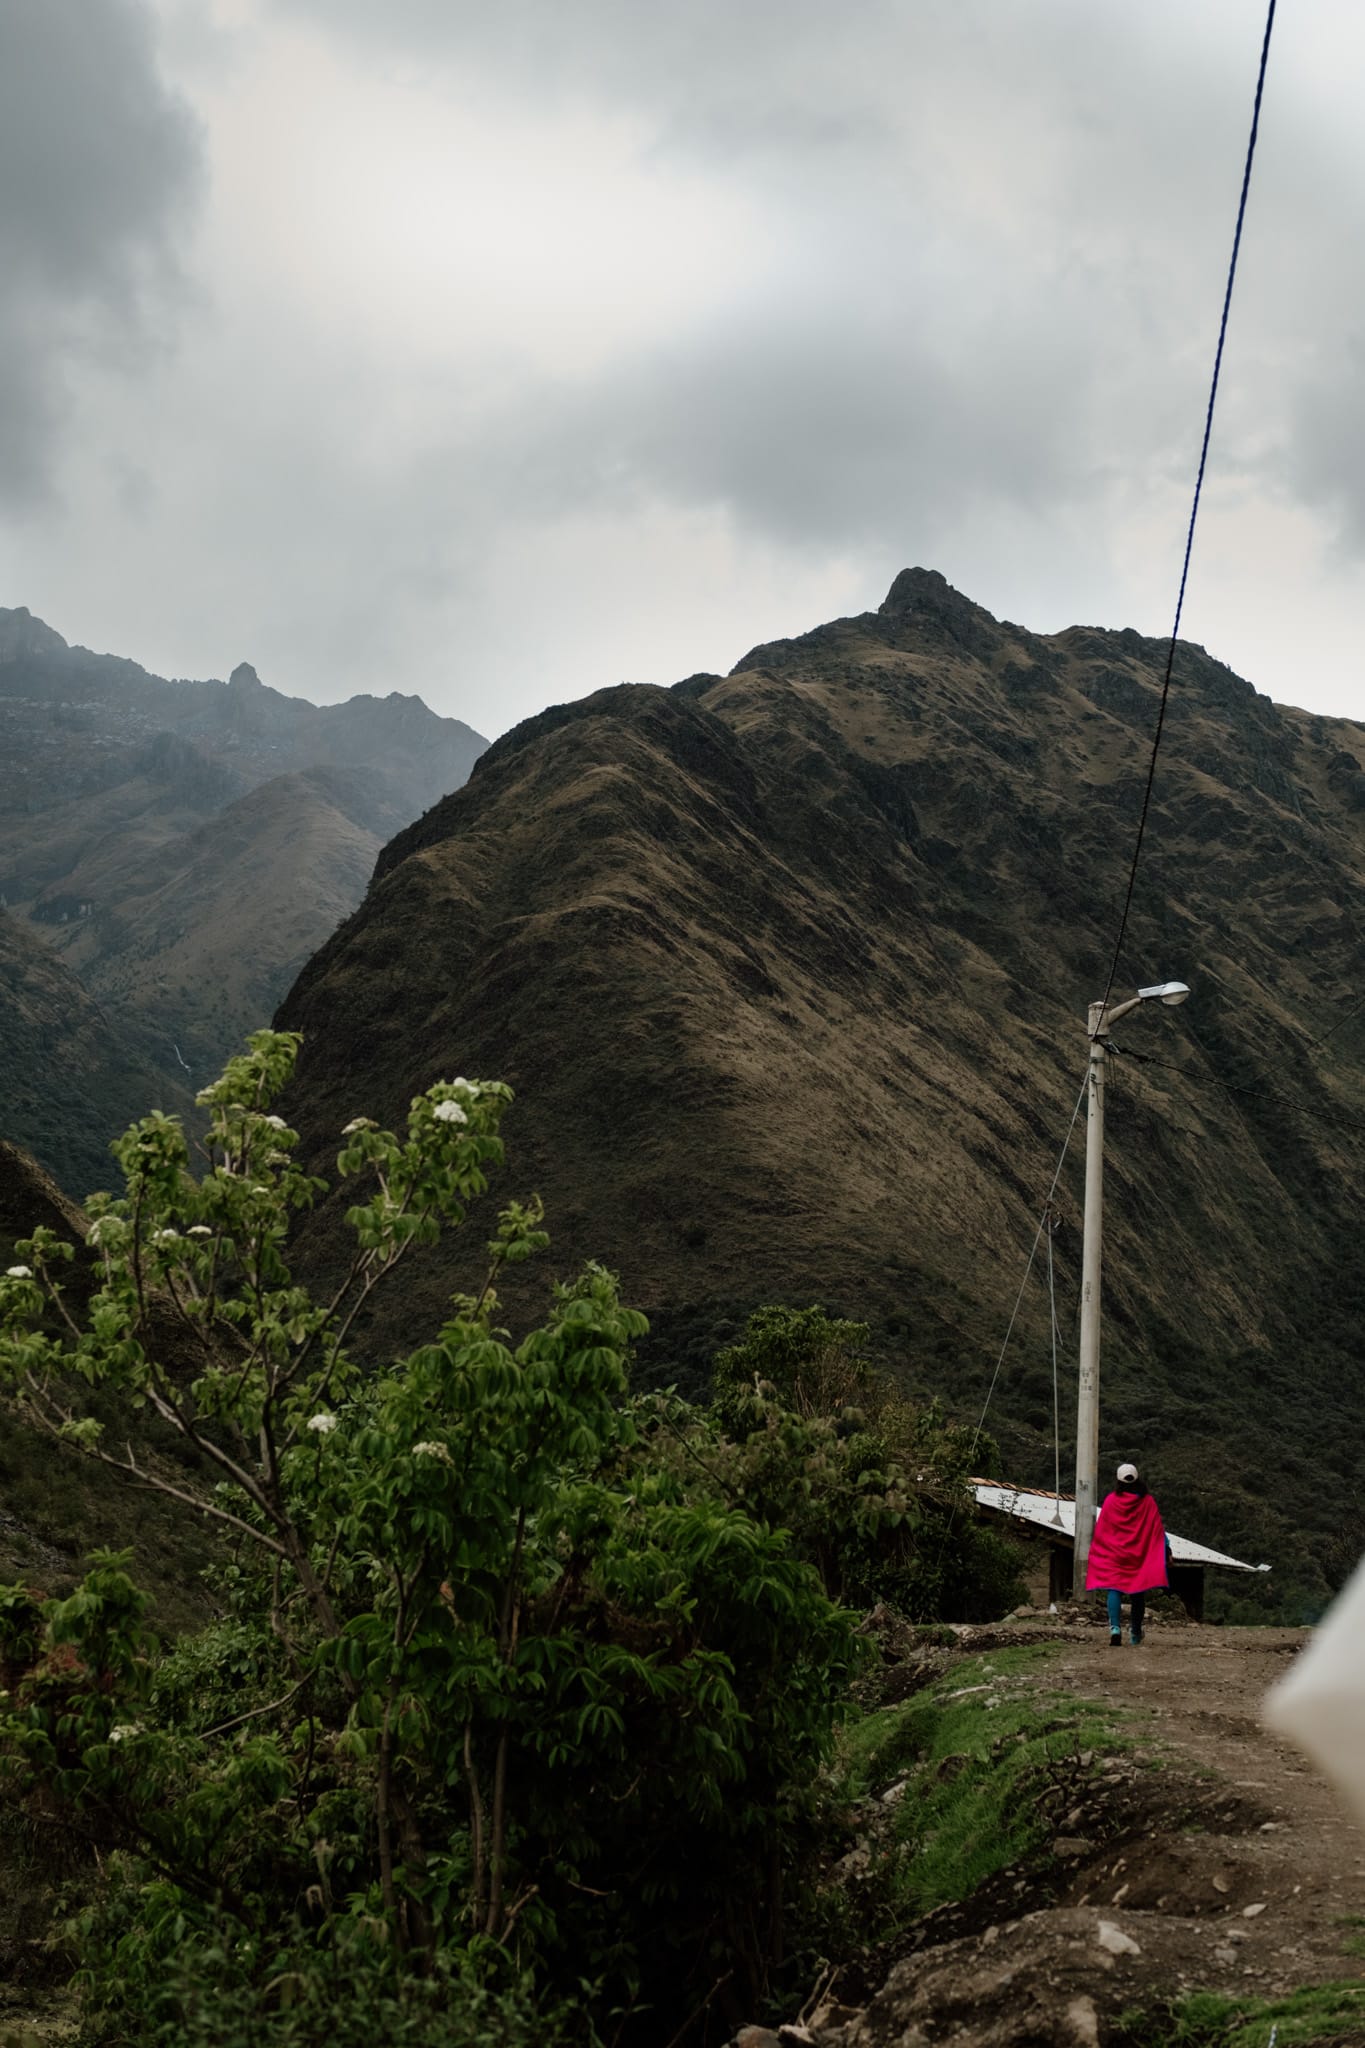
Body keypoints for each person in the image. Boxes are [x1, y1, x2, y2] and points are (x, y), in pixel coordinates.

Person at [1085, 1461, 1168, 1646]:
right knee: (1137, 1592)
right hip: (1138, 1555)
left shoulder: (1110, 1501)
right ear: (1138, 1479)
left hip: (1115, 1555)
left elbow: (1102, 1529)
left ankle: (1115, 1628)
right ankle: (1135, 1632)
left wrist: (1100, 1550)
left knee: (1114, 1589)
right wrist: (1166, 1549)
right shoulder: (1147, 1502)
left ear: (1118, 1481)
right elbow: (1157, 1530)